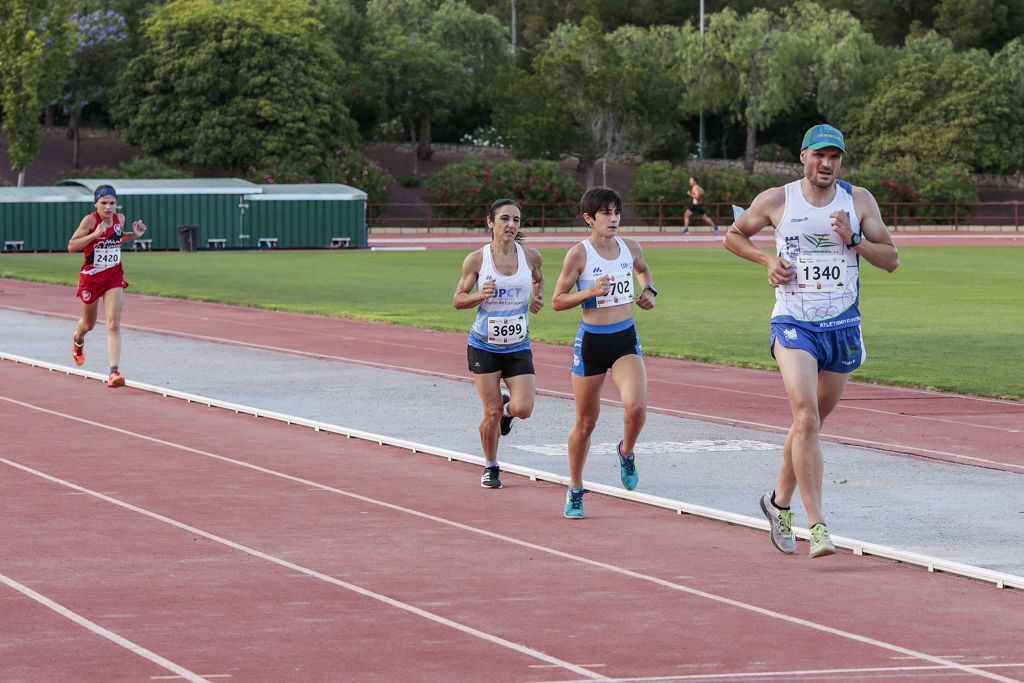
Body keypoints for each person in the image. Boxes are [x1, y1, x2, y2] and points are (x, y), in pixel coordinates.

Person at [723, 124, 899, 558]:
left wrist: (854, 240)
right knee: (805, 419)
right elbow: (734, 235)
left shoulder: (858, 201)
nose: (827, 164)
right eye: (819, 155)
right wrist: (766, 258)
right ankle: (817, 526)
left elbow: (892, 259)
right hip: (793, 322)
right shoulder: (777, 199)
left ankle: (777, 502)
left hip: (842, 325)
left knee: (812, 424)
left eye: (834, 157)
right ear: (803, 157)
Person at [551, 187, 657, 519]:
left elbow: (642, 269)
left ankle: (626, 451)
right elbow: (556, 301)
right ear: (589, 219)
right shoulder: (579, 255)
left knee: (637, 407)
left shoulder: (630, 247)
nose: (613, 219)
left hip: (625, 339)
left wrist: (649, 291)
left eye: (616, 213)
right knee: (585, 422)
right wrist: (589, 293)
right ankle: (575, 487)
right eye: (606, 214)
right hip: (593, 343)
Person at [453, 199, 545, 489]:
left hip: (517, 345)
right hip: (484, 345)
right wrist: (480, 296)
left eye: (516, 220)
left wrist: (537, 297)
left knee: (524, 408)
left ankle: (508, 412)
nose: (511, 225)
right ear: (490, 222)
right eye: (505, 218)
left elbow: (539, 280)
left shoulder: (530, 256)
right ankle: (491, 466)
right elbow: (458, 299)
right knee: (490, 412)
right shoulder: (477, 260)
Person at [68, 185, 148, 388]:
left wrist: (134, 235)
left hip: (113, 275)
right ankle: (78, 339)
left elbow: (116, 240)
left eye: (112, 203)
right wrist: (94, 235)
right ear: (96, 203)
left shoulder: (119, 219)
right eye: (104, 203)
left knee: (113, 324)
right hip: (91, 278)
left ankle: (114, 372)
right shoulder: (90, 220)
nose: (108, 207)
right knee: (89, 324)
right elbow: (71, 246)